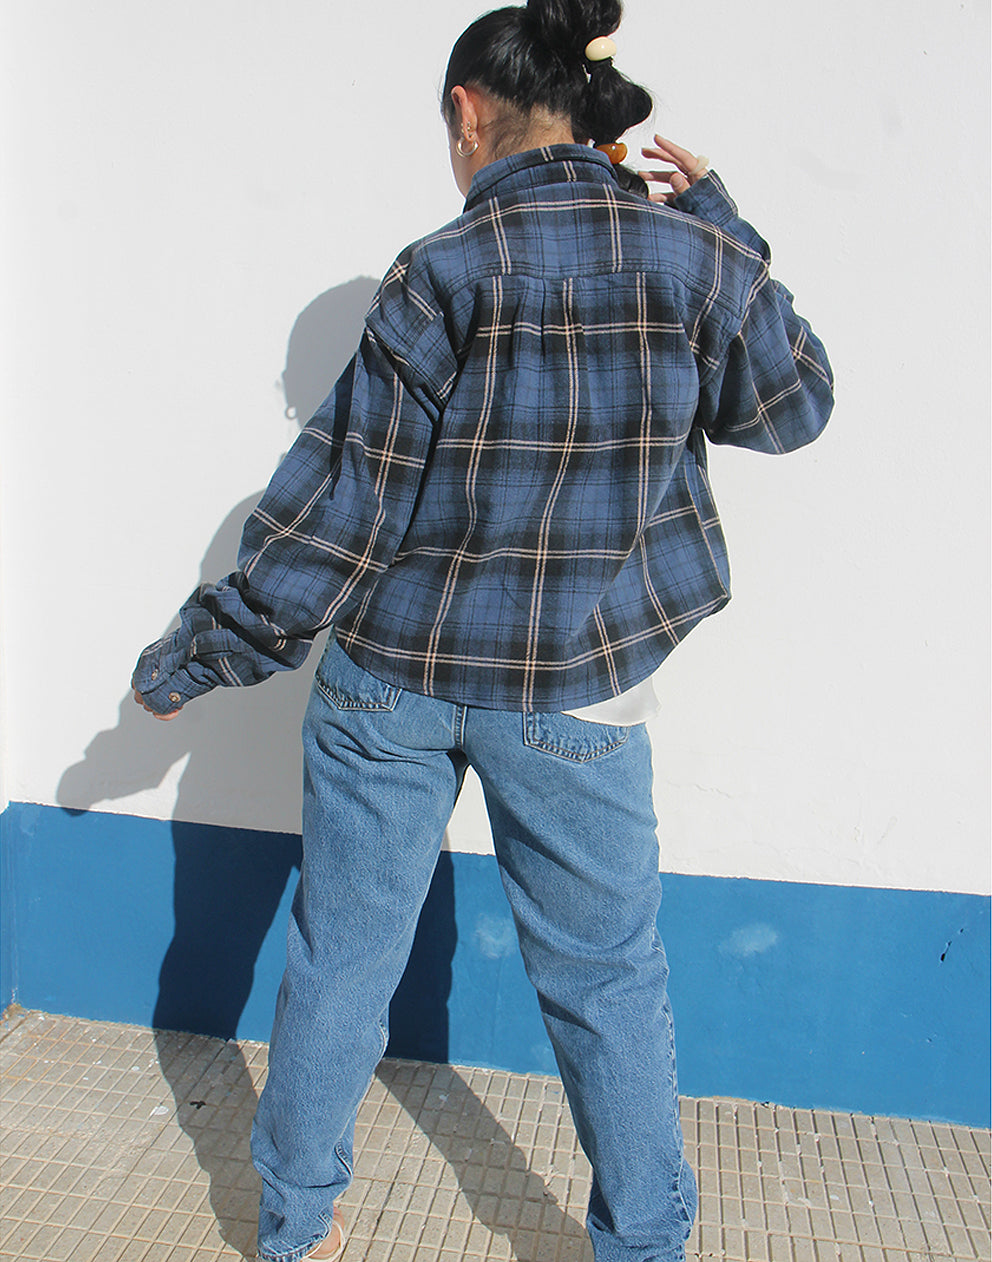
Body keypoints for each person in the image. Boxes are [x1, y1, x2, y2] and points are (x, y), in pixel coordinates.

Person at [132, 0, 833, 1257]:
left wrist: (206, 649)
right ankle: (642, 1242)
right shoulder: (685, 255)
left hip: (388, 674)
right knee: (607, 979)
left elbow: (340, 507)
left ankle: (290, 1227)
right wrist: (719, 218)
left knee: (342, 958)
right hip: (575, 686)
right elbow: (794, 406)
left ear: (467, 113)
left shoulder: (442, 269)